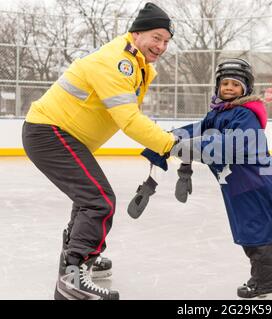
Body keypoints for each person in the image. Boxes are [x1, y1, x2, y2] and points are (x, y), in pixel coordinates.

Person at [22, 2, 177, 300]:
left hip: (60, 135)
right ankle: (72, 275)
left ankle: (80, 259)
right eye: (156, 37)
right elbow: (129, 119)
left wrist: (160, 141)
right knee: (99, 200)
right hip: (49, 132)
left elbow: (131, 115)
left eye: (166, 41)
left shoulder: (138, 65)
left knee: (87, 198)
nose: (161, 46)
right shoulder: (117, 61)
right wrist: (170, 143)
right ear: (137, 33)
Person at [142, 58, 272, 299]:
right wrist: (162, 143)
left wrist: (188, 147)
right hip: (244, 183)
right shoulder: (220, 113)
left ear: (245, 88)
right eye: (224, 83)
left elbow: (229, 144)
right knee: (263, 228)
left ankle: (265, 284)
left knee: (254, 231)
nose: (229, 88)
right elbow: (197, 130)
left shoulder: (245, 114)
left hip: (252, 183)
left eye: (235, 84)